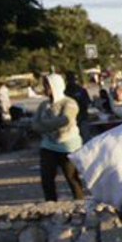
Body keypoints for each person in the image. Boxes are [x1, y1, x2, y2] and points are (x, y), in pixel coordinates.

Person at [32, 73, 86, 201]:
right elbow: (34, 124)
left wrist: (44, 125)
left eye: (47, 86)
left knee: (71, 177)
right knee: (46, 177)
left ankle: (80, 202)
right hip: (48, 145)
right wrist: (47, 126)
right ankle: (51, 204)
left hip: (67, 145)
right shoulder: (43, 105)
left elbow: (65, 121)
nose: (45, 89)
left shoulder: (69, 103)